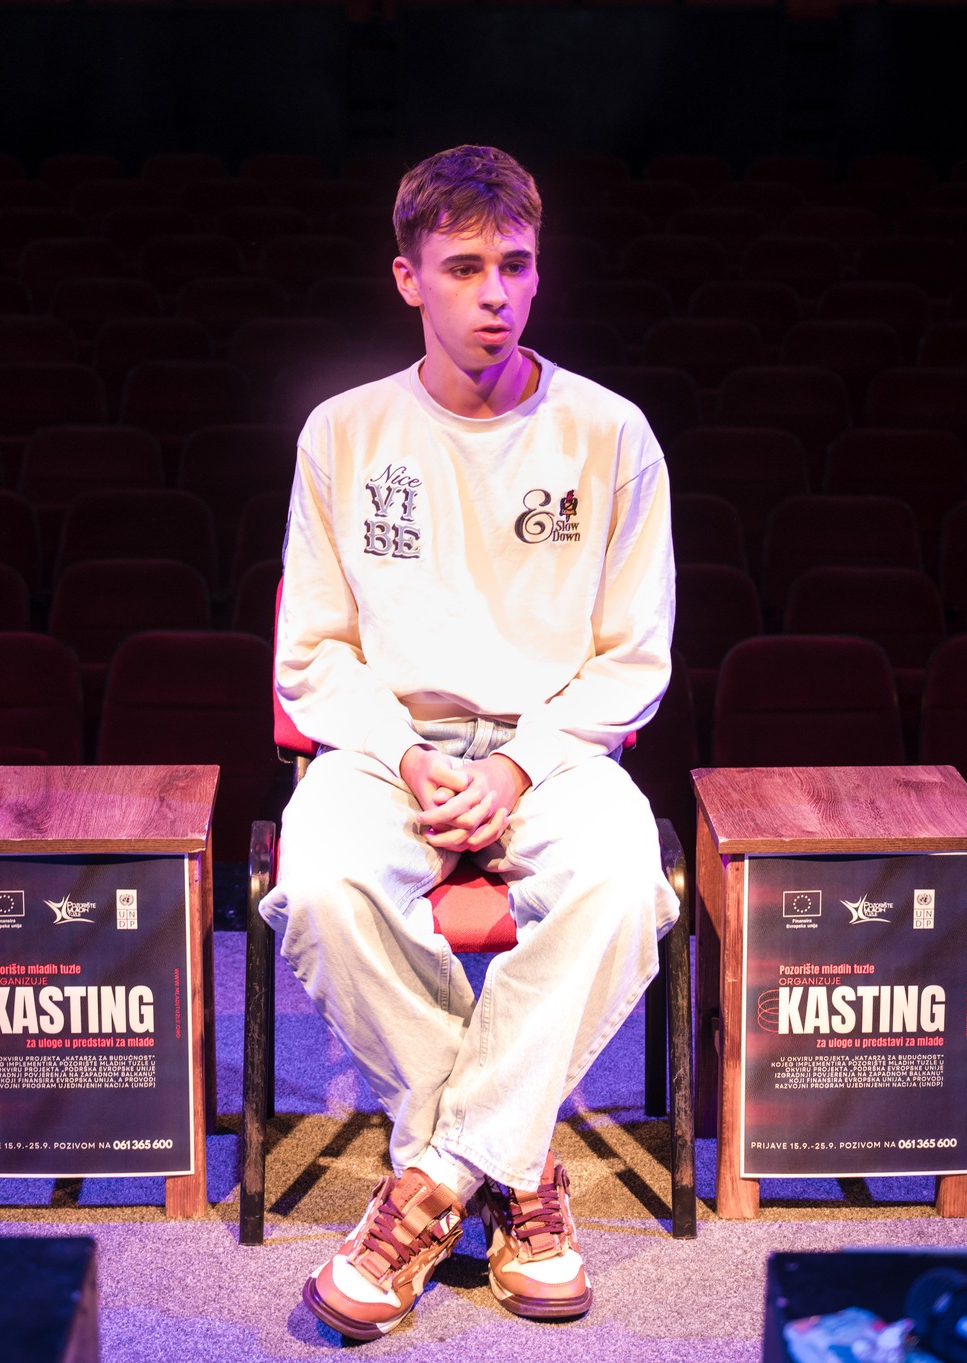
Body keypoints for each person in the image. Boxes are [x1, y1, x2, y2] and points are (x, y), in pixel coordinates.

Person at [258, 144, 678, 1341]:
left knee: (621, 882)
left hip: (554, 750)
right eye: (463, 267)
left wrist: (518, 763)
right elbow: (313, 652)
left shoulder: (610, 433)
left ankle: (432, 1179)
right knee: (319, 886)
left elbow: (631, 658)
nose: (495, 292)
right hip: (384, 746)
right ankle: (517, 1167)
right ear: (407, 278)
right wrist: (405, 755)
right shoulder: (342, 432)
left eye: (515, 265)